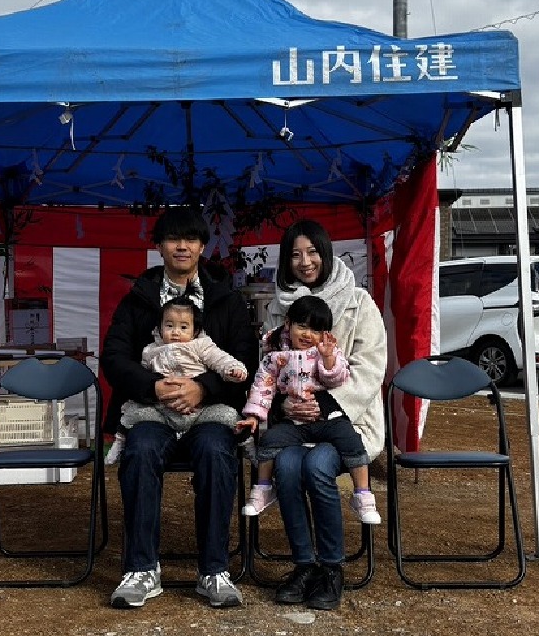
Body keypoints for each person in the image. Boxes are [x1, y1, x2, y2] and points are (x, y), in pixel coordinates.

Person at [101, 205, 258, 610]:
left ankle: (214, 570)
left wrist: (202, 389)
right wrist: (153, 386)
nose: (182, 246)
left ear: (203, 246)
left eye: (191, 238)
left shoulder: (226, 300)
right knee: (141, 449)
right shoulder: (139, 299)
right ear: (159, 246)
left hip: (210, 411)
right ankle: (141, 568)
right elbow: (114, 358)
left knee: (216, 450)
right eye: (173, 238)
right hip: (152, 409)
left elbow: (245, 360)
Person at [259, 219, 387, 611]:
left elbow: (370, 368)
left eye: (312, 252)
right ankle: (303, 565)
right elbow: (266, 369)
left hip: (346, 423)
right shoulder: (277, 308)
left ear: (326, 253)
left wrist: (326, 406)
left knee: (316, 467)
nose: (305, 262)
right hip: (294, 423)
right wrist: (283, 405)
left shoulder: (359, 302)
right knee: (287, 468)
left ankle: (331, 568)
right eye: (296, 254)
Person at [235, 294, 381, 525]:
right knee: (270, 440)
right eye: (302, 326)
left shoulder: (326, 353)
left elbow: (338, 379)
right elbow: (263, 387)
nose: (307, 335)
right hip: (293, 422)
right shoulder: (275, 357)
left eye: (315, 330)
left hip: (327, 419)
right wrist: (253, 416)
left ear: (324, 334)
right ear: (288, 323)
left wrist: (328, 359)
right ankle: (263, 488)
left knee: (351, 440)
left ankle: (363, 494)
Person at [105, 295, 249, 464]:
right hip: (161, 409)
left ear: (195, 330)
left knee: (228, 416)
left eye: (183, 327)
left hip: (200, 409)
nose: (175, 332)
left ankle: (248, 444)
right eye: (169, 326)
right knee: (132, 414)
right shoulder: (151, 350)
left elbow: (220, 359)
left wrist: (230, 371)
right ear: (160, 328)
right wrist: (153, 386)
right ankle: (119, 442)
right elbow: (134, 369)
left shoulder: (201, 345)